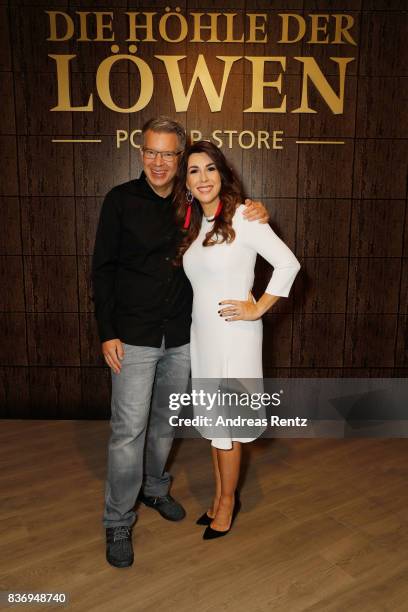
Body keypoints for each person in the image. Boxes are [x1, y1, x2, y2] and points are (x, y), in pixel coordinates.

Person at [92, 117, 269, 567]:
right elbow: (103, 270)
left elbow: (233, 226)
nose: (159, 162)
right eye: (151, 152)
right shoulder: (120, 201)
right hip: (132, 336)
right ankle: (117, 521)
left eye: (169, 154)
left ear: (180, 158)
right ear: (140, 153)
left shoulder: (195, 202)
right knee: (127, 431)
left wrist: (256, 209)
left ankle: (154, 489)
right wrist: (107, 332)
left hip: (184, 336)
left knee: (164, 424)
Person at [173, 140, 301, 540]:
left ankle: (227, 505)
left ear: (222, 174)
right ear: (187, 183)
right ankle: (219, 497)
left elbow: (288, 263)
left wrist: (258, 308)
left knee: (227, 425)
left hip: (235, 338)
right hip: (205, 338)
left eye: (209, 168)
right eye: (194, 171)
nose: (203, 177)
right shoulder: (197, 225)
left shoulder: (245, 217)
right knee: (216, 427)